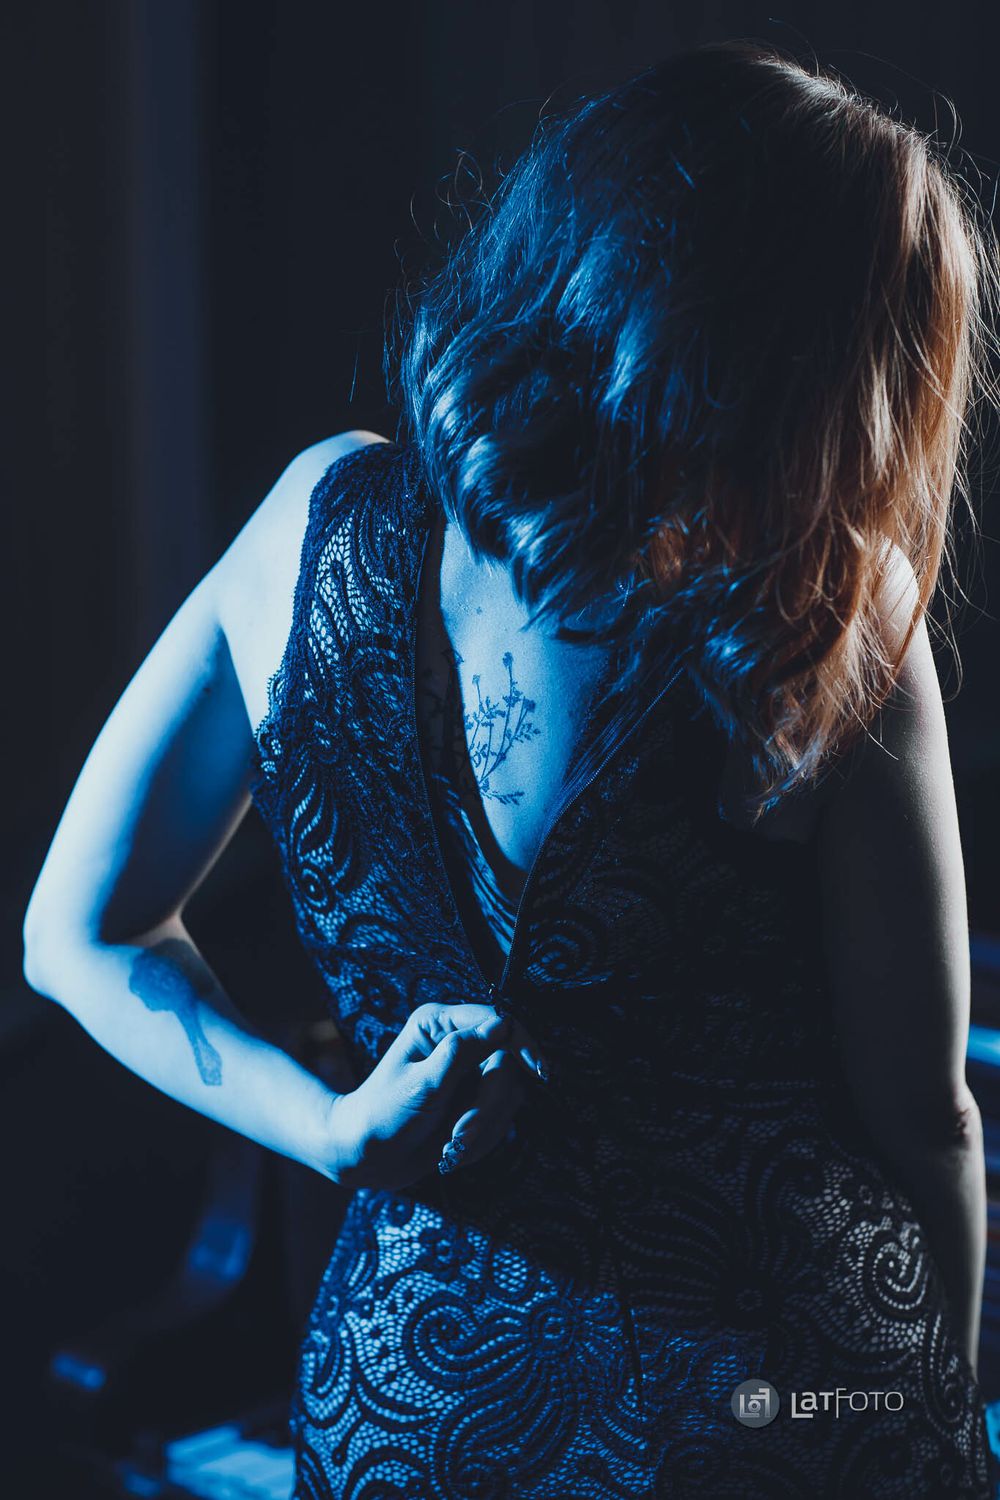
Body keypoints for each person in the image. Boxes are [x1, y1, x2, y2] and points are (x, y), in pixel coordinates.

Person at [22, 37, 1000, 1499]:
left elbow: (73, 935)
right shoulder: (824, 620)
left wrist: (335, 1132)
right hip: (770, 1414)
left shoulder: (307, 521)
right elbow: (924, 1117)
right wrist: (941, 1419)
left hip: (412, 1411)